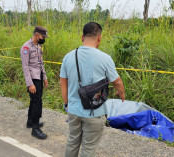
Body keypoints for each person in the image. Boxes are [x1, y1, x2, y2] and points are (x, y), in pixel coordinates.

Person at [60, 22, 125, 157]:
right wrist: (121, 92)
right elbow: (117, 81)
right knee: (88, 149)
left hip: (74, 110)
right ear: (99, 38)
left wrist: (67, 103)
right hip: (94, 113)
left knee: (72, 143)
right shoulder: (105, 58)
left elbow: (63, 82)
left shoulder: (68, 57)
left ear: (82, 37)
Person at [20, 26, 49, 140]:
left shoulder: (39, 46)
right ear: (37, 35)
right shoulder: (26, 47)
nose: (44, 39)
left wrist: (45, 77)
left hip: (39, 77)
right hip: (32, 79)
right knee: (37, 102)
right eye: (43, 36)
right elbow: (25, 67)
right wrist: (30, 84)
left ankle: (30, 121)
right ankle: (35, 129)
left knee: (35, 100)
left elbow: (41, 63)